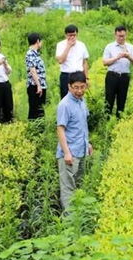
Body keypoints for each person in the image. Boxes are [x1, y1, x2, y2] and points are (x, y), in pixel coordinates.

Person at [56, 71, 92, 211]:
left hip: (81, 150)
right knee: (68, 189)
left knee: (78, 184)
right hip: (70, 153)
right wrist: (66, 153)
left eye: (82, 87)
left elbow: (81, 125)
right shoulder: (64, 105)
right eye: (76, 87)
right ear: (69, 86)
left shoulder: (82, 101)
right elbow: (60, 129)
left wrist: (87, 143)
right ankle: (69, 221)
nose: (79, 91)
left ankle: (78, 214)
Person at [102, 25, 133, 118]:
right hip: (112, 75)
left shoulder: (130, 47)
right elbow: (105, 62)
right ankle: (107, 120)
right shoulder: (109, 47)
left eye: (123, 36)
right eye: (119, 36)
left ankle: (119, 121)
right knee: (109, 100)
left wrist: (128, 56)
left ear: (126, 35)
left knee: (122, 100)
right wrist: (116, 57)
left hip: (124, 76)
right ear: (115, 35)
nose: (121, 38)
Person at [55, 24, 89, 99]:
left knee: (79, 96)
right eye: (70, 35)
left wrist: (86, 78)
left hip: (79, 75)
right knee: (65, 97)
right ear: (66, 35)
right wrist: (68, 46)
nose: (72, 37)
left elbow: (85, 62)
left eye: (74, 35)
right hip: (66, 75)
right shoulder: (60, 45)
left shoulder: (82, 45)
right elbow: (60, 60)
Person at [25, 32, 47, 120]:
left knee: (40, 110)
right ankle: (34, 130)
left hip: (40, 85)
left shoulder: (35, 53)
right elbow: (33, 70)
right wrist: (39, 85)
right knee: (35, 110)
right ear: (37, 41)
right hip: (35, 86)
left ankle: (40, 130)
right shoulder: (30, 53)